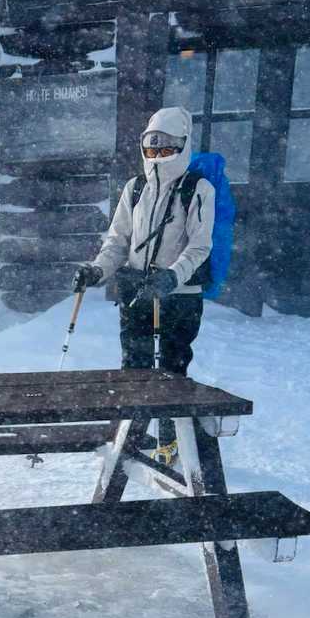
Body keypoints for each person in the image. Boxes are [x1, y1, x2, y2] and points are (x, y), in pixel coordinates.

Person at [74, 105, 215, 456]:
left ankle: (171, 440)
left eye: (166, 147)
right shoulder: (135, 188)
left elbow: (200, 246)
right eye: (151, 147)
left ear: (182, 145)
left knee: (171, 370)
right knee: (134, 369)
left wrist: (172, 277)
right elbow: (118, 241)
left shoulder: (198, 188)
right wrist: (97, 270)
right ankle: (130, 438)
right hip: (137, 291)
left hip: (179, 296)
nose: (157, 154)